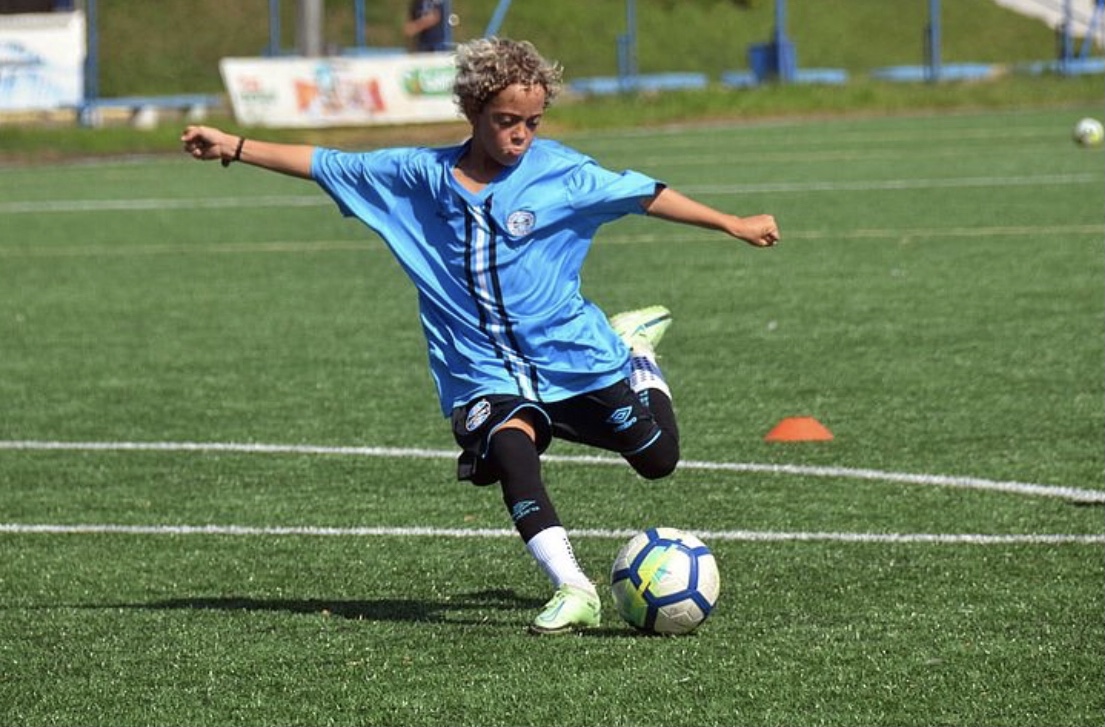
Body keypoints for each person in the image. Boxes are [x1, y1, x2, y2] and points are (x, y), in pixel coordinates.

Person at [181, 37, 779, 635]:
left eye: (532, 122)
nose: (520, 135)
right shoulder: (418, 177)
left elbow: (643, 194)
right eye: (505, 121)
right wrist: (232, 146)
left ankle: (638, 349)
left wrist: (731, 223)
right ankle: (574, 586)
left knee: (658, 460)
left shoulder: (563, 173)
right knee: (511, 445)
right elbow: (323, 162)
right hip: (478, 369)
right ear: (472, 111)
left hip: (572, 359)